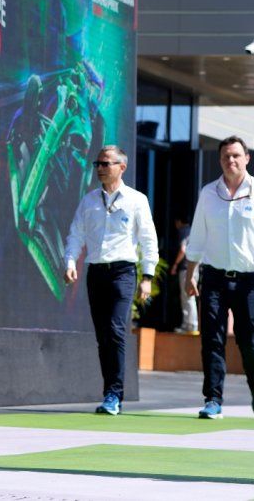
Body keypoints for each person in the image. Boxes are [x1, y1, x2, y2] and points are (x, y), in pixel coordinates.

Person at [184, 136, 254, 420]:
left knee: (249, 340)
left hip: (248, 280)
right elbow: (197, 238)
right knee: (212, 340)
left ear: (246, 158)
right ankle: (212, 400)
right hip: (213, 278)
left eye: (236, 156)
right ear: (220, 160)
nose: (230, 160)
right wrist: (190, 275)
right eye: (225, 156)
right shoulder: (209, 193)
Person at [64, 145, 159, 415]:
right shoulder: (89, 201)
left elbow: (148, 239)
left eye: (106, 164)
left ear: (122, 167)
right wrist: (70, 261)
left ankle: (114, 394)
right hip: (96, 272)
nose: (100, 169)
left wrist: (147, 276)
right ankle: (109, 391)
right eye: (98, 164)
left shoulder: (137, 200)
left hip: (123, 272)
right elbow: (76, 234)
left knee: (116, 330)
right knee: (103, 335)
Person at [170, 216, 198, 334]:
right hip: (196, 267)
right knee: (190, 296)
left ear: (179, 221)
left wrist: (175, 264)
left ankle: (190, 325)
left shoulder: (184, 231)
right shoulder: (194, 231)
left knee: (187, 297)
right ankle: (190, 324)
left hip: (187, 268)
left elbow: (183, 249)